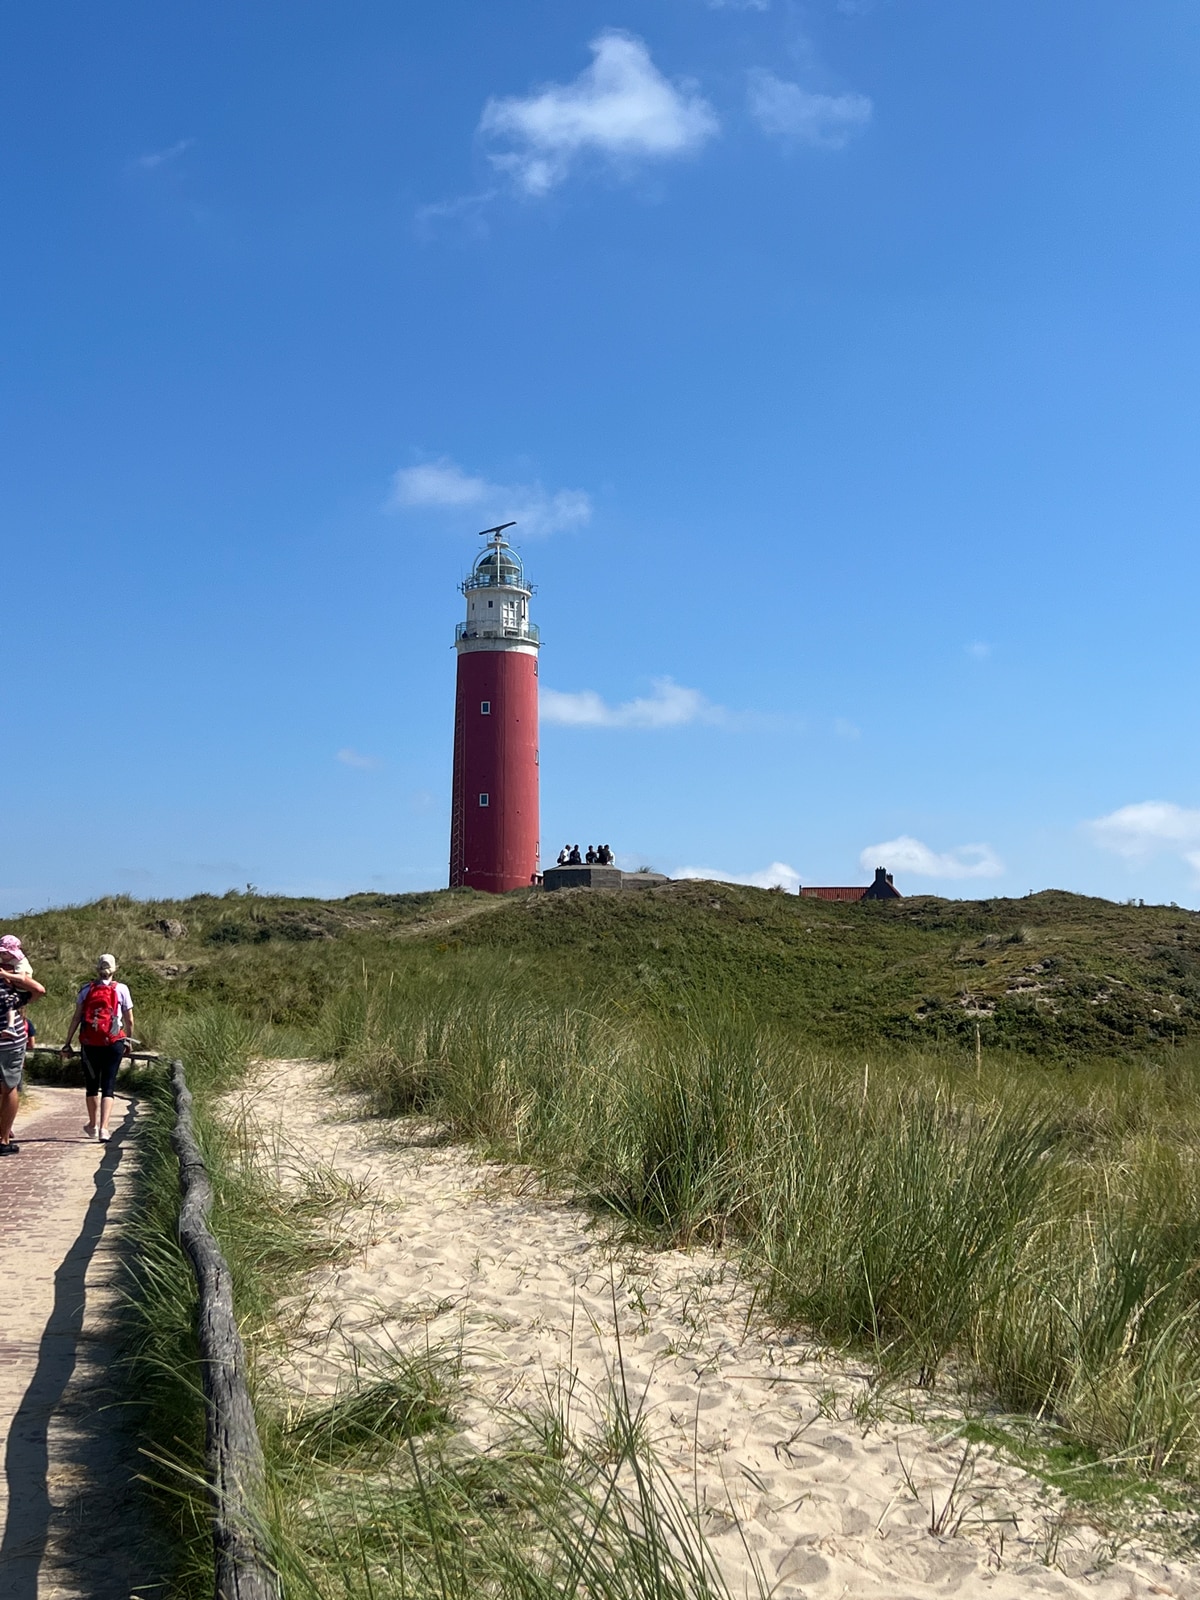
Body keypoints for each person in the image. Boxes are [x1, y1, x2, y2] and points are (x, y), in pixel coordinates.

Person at [62, 954, 134, 1144]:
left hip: (89, 1042)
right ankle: (104, 1129)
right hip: (114, 1042)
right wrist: (128, 1039)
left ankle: (93, 1125)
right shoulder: (122, 989)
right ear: (115, 969)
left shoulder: (86, 989)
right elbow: (129, 1020)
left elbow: (76, 1017)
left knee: (92, 1085)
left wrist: (68, 1042)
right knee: (109, 1085)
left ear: (97, 969)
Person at [0, 944, 45, 1156]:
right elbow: (39, 990)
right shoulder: (10, 994)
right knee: (9, 1088)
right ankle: (3, 1138)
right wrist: (14, 976)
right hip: (10, 1042)